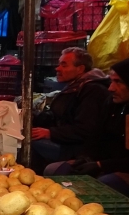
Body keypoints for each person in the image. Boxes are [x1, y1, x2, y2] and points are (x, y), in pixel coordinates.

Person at [44, 57, 129, 196]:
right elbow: (95, 136)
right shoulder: (111, 103)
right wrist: (86, 158)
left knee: (103, 184)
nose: (111, 88)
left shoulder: (92, 90)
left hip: (120, 168)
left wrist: (101, 165)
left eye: (118, 82)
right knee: (59, 170)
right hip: (102, 162)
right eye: (112, 81)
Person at [31, 47, 111, 172]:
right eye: (59, 64)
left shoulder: (93, 90)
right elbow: (59, 115)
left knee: (28, 144)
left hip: (80, 150)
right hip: (68, 141)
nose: (57, 69)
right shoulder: (76, 86)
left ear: (80, 69)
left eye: (64, 65)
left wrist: (51, 133)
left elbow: (86, 129)